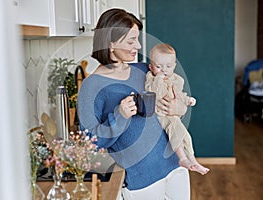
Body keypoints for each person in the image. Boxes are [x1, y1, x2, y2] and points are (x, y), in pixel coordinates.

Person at [78, 8, 190, 200]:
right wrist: (120, 115)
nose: (138, 46)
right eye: (131, 41)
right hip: (141, 179)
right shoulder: (91, 86)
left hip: (175, 165)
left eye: (137, 39)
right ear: (111, 43)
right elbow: (90, 143)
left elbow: (176, 96)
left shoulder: (143, 70)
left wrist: (178, 107)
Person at [145, 43, 209, 175]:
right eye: (158, 67)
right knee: (175, 129)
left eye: (168, 66)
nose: (164, 70)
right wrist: (159, 80)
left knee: (186, 135)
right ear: (151, 67)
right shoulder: (151, 78)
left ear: (174, 66)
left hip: (173, 115)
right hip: (160, 115)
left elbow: (179, 95)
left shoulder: (177, 80)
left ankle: (193, 159)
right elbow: (156, 93)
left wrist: (187, 100)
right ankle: (182, 158)